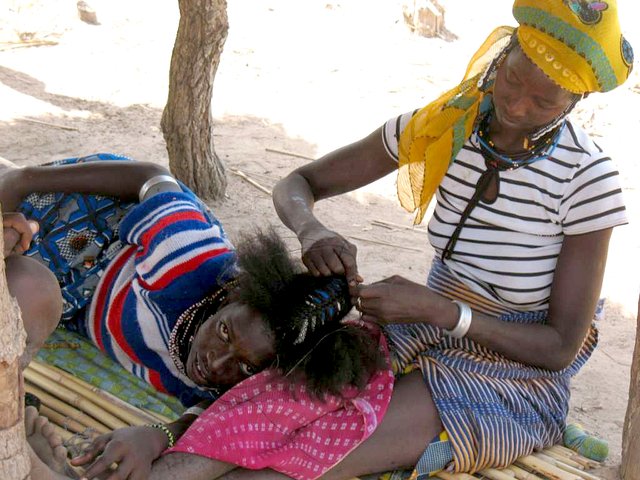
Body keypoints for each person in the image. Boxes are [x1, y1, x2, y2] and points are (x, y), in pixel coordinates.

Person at [27, 0, 634, 478]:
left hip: (513, 373)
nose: (515, 105)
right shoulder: (441, 125)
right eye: (512, 77)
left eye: (543, 100)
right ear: (500, 52)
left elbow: (557, 345)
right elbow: (298, 183)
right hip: (419, 330)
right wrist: (312, 226)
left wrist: (440, 310)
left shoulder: (588, 184)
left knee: (296, 463)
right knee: (268, 406)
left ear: (576, 101)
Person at [1, 154, 385, 479]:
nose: (214, 363)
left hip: (72, 303)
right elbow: (153, 177)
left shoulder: (239, 381)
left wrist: (160, 436)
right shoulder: (186, 257)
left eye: (245, 367)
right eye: (223, 332)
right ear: (234, 293)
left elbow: (215, 414)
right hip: (67, 227)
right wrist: (23, 180)